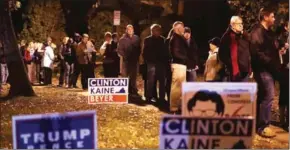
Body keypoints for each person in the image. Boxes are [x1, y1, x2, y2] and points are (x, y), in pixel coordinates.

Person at [250, 7, 280, 138]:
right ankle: (263, 126)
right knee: (268, 96)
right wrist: (270, 61)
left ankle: (258, 124)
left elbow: (268, 50)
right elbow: (257, 53)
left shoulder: (267, 33)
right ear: (265, 17)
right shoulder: (257, 32)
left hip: (268, 69)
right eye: (272, 16)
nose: (274, 19)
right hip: (262, 70)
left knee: (263, 96)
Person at [219, 16, 251, 82]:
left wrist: (250, 68)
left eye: (242, 23)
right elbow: (221, 55)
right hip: (233, 72)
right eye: (238, 24)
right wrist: (230, 64)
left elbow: (249, 51)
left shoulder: (244, 36)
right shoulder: (227, 37)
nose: (241, 25)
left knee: (242, 92)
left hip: (245, 72)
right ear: (233, 25)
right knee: (234, 92)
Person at [143, 24, 169, 104]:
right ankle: (148, 97)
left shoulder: (163, 40)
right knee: (150, 81)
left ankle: (161, 98)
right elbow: (145, 52)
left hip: (161, 63)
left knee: (162, 81)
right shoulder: (147, 40)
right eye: (152, 30)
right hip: (151, 63)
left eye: (156, 30)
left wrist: (165, 62)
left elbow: (166, 52)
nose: (153, 32)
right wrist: (147, 61)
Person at [169, 21, 188, 114]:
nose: (183, 29)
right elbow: (176, 53)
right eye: (181, 27)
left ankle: (179, 106)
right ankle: (174, 107)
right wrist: (186, 59)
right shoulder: (176, 39)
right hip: (178, 64)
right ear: (176, 29)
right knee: (176, 87)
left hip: (181, 64)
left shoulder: (180, 38)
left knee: (181, 87)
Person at [117, 25, 141, 97]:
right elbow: (120, 50)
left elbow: (139, 48)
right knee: (125, 76)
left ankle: (133, 90)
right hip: (126, 61)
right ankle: (123, 91)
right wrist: (125, 56)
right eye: (128, 29)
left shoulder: (136, 38)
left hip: (134, 61)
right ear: (126, 30)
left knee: (133, 77)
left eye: (131, 29)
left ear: (133, 30)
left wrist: (137, 56)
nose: (130, 31)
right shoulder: (122, 39)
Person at [278, 21, 289, 130]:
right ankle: (282, 120)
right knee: (284, 95)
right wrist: (282, 49)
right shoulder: (281, 39)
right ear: (286, 27)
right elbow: (279, 53)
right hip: (285, 70)